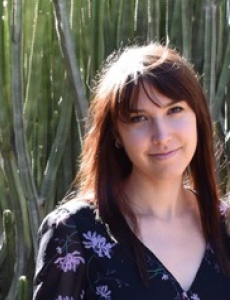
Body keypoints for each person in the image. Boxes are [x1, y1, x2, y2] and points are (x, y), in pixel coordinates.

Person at [33, 43, 230, 300]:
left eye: (174, 110)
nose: (162, 136)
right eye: (139, 118)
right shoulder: (74, 231)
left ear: (198, 117)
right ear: (116, 132)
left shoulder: (223, 224)